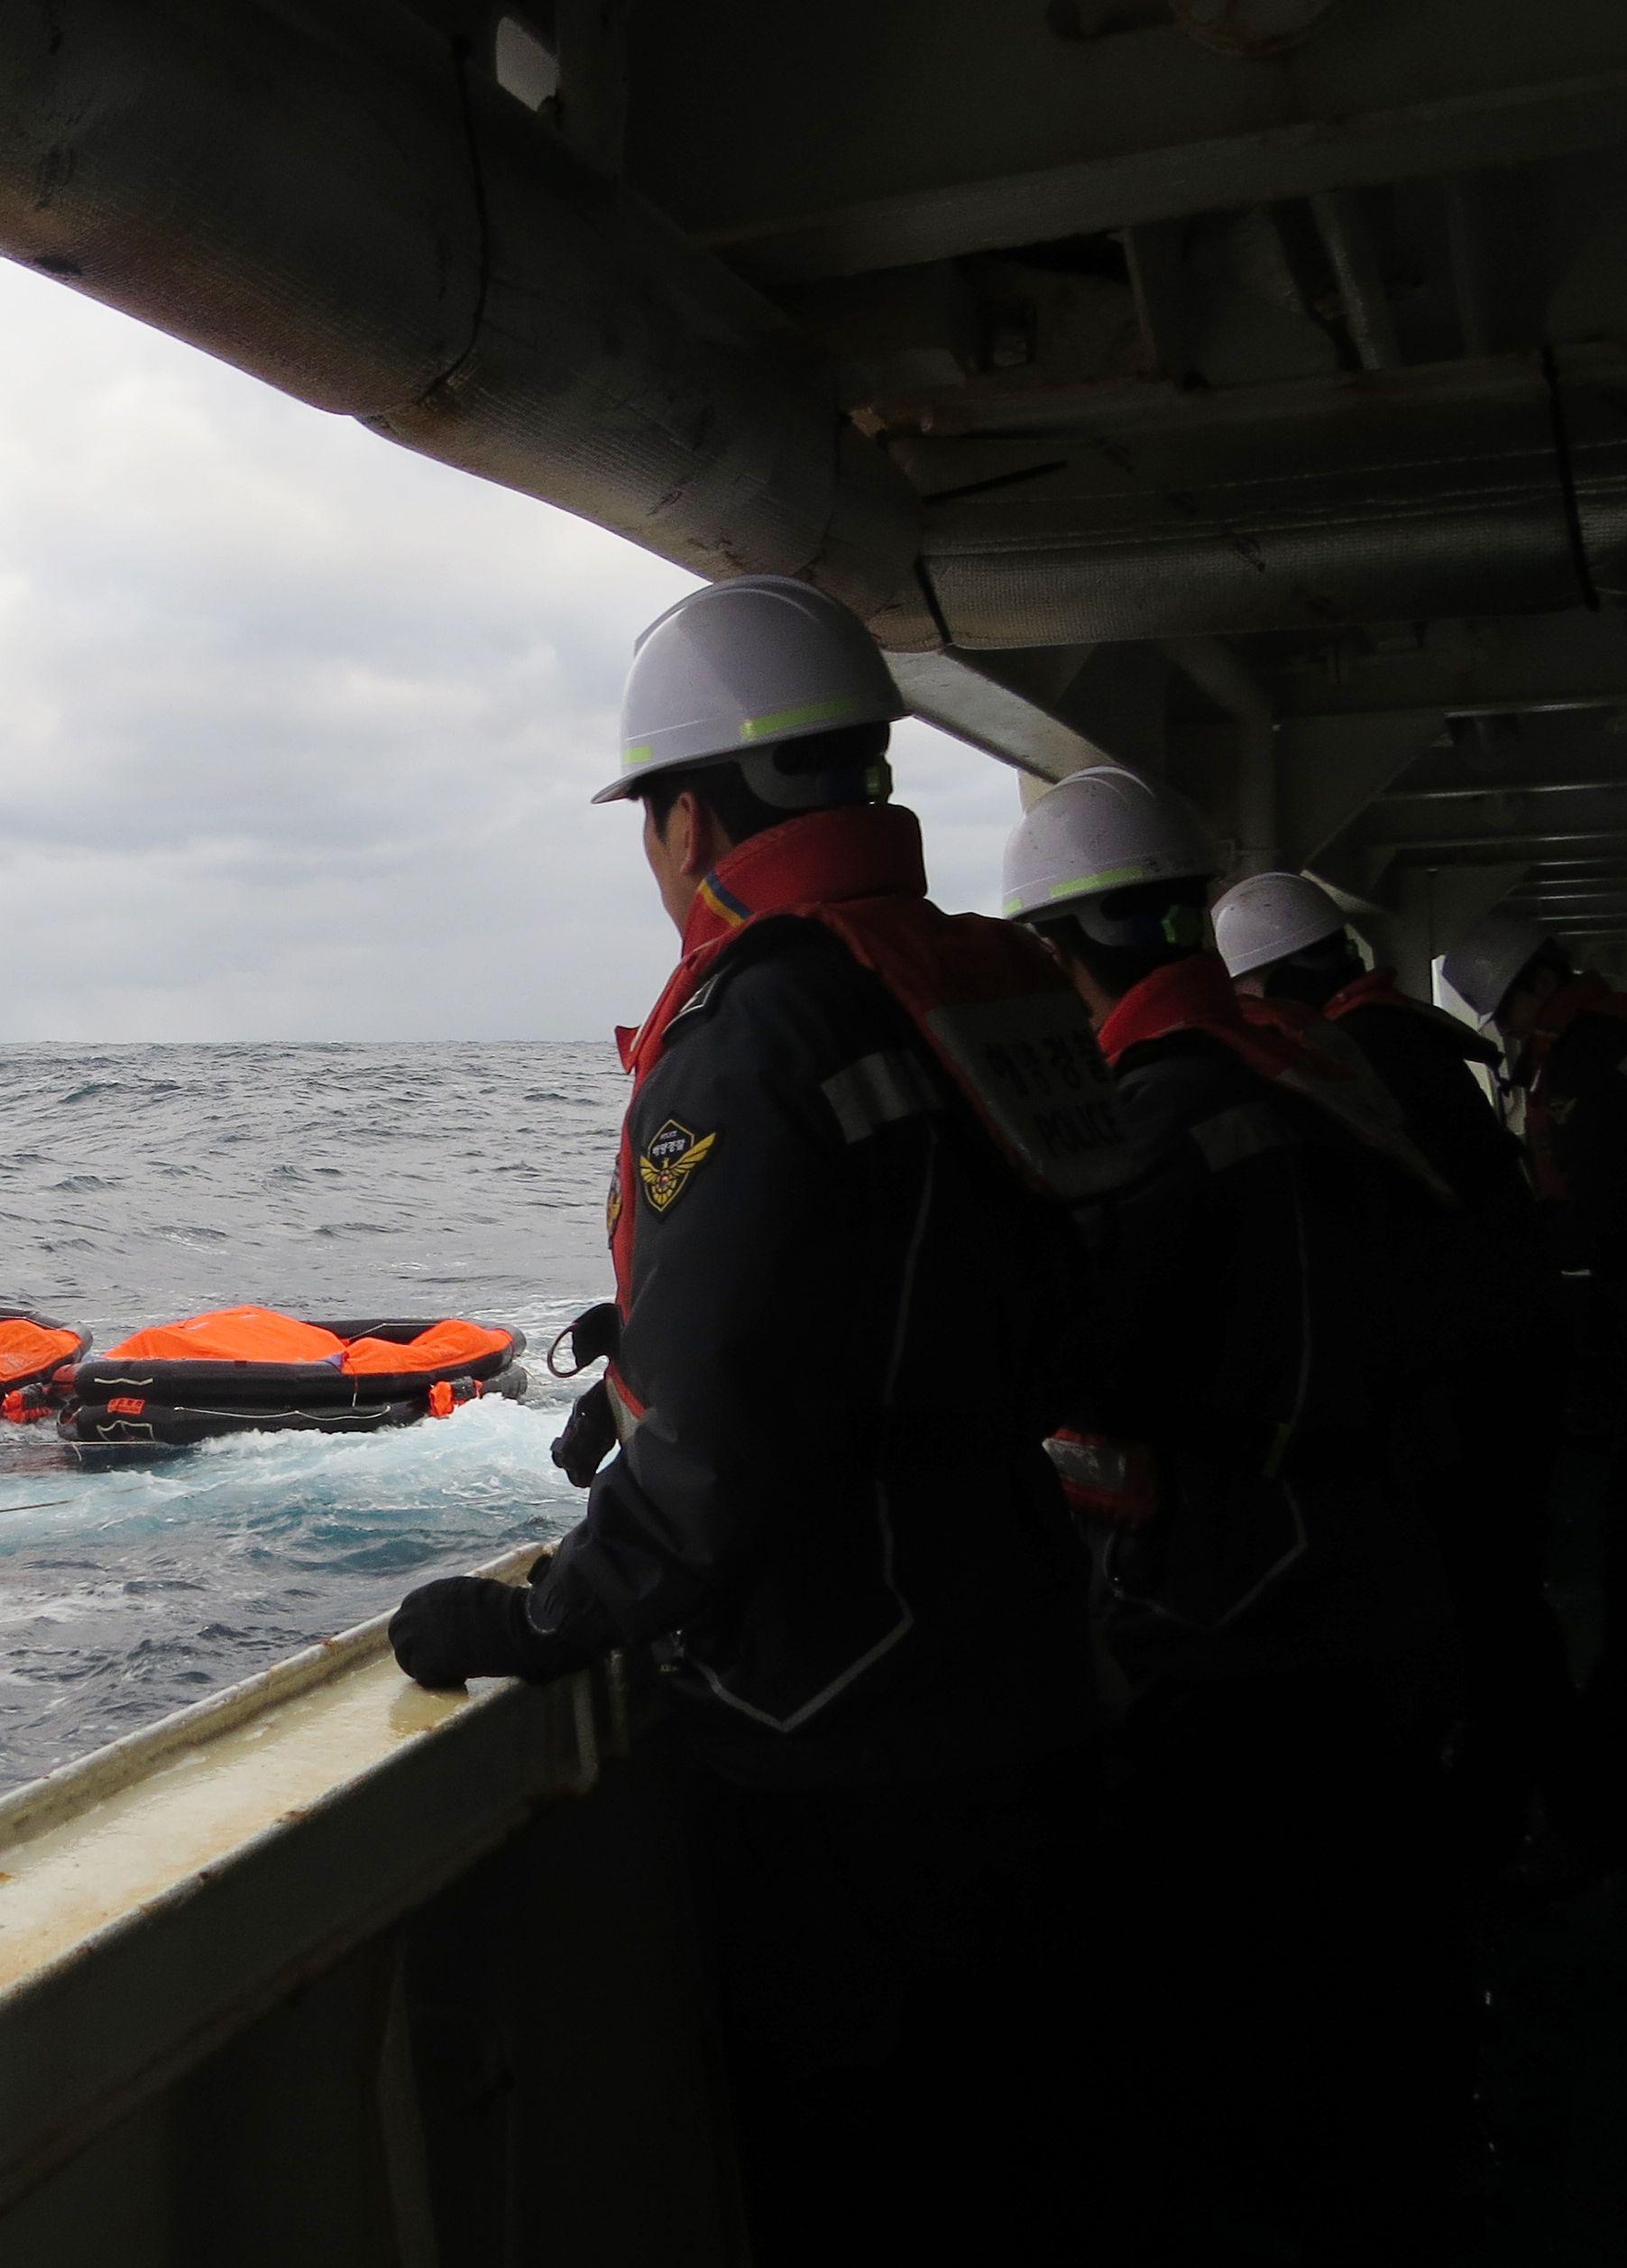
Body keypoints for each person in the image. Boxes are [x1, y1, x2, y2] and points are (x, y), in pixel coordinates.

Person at [389, 576, 1121, 2264]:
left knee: (864, 2170)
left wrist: (541, 1616)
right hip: (1025, 1644)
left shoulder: (749, 1026)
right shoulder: (973, 984)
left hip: (838, 1715)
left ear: (691, 813)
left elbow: (719, 1442)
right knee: (1032, 2148)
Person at [1011, 779, 1464, 2256]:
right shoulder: (1308, 1069)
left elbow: (1082, 1359)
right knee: (1366, 1945)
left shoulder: (1156, 1113)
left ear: (1062, 947)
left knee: (1235, 1970)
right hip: (1376, 1563)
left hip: (1233, 1602)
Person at [1215, 871, 1591, 1876]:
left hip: (1468, 1385)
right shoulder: (1409, 1043)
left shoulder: (1360, 1060)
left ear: (1266, 987)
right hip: (1509, 1363)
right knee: (1501, 1596)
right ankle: (1556, 1809)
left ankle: (1523, 1819)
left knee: (1482, 1605)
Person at [1445, 910, 1627, 1834]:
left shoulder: (1593, 1058)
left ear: (1527, 987)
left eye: (1511, 1018)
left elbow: (1606, 1216)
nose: (1517, 1035)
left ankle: (1621, 1746)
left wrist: (1518, 1256)